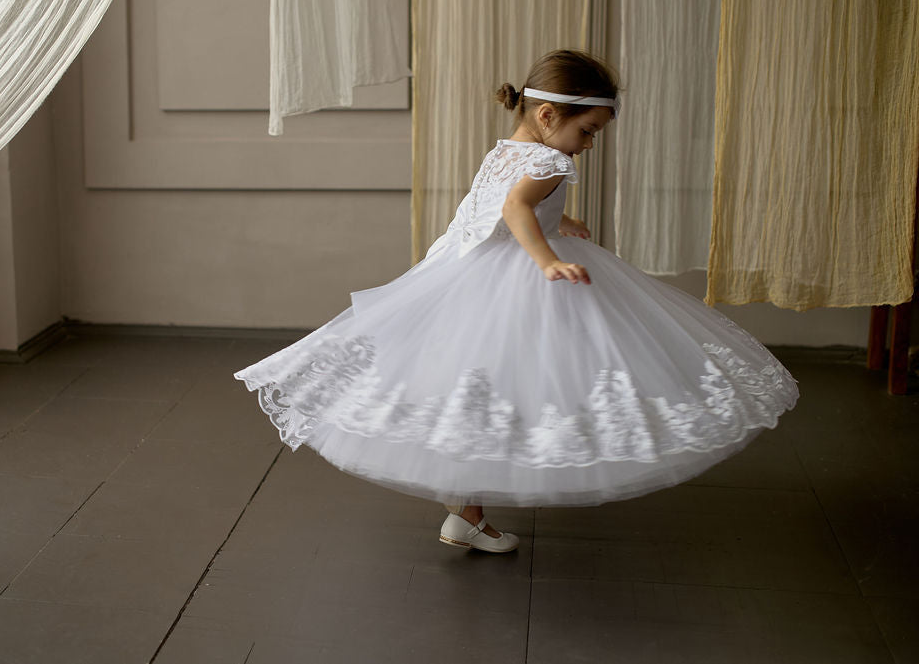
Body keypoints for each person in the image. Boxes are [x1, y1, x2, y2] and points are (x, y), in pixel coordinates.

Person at [233, 49, 798, 554]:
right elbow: (514, 211)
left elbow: (506, 201)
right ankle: (473, 508)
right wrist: (546, 259)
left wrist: (561, 219)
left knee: (475, 387)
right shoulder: (553, 161)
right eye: (589, 130)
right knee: (520, 382)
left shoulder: (509, 149)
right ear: (550, 117)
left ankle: (467, 512)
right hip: (512, 276)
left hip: (462, 274)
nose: (590, 143)